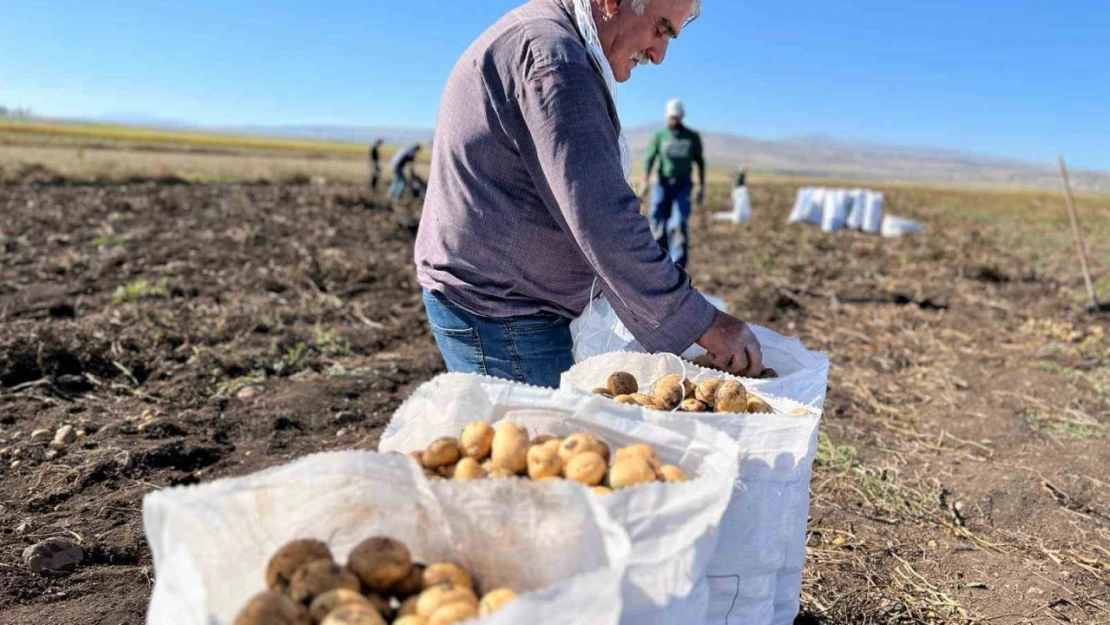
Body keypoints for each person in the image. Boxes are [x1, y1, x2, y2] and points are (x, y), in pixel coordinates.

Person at [415, 0, 763, 388]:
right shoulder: (553, 59)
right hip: (501, 314)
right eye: (661, 29)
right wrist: (702, 321)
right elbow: (602, 218)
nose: (659, 54)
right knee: (540, 442)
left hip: (515, 303)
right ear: (612, 3)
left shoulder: (557, 44)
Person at [640, 98, 705, 270]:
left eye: (677, 118)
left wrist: (701, 186)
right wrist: (645, 182)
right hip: (662, 183)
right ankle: (661, 261)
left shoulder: (691, 137)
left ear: (682, 116)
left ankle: (678, 267)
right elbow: (650, 158)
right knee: (657, 218)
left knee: (678, 222)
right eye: (671, 118)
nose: (674, 121)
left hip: (683, 184)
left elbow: (700, 162)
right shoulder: (660, 136)